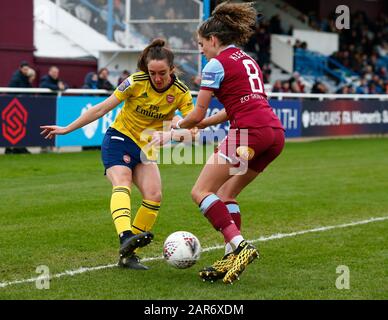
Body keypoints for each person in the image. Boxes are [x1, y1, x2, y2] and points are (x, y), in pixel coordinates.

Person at [40, 39, 195, 270]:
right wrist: (66, 128)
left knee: (154, 195)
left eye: (162, 73)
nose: (157, 78)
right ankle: (125, 237)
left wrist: (172, 135)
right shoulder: (135, 82)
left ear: (172, 69)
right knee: (122, 181)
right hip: (119, 138)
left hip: (145, 148)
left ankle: (129, 256)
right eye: (152, 73)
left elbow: (193, 132)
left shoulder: (181, 93)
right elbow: (102, 108)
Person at [171, 2, 285, 284]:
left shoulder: (215, 64)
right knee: (226, 194)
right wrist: (203, 124)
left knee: (200, 191)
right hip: (273, 133)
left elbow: (197, 112)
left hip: (248, 132)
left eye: (201, 44)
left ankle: (241, 247)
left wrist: (179, 124)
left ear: (213, 39)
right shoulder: (248, 60)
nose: (200, 50)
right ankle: (230, 257)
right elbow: (235, 106)